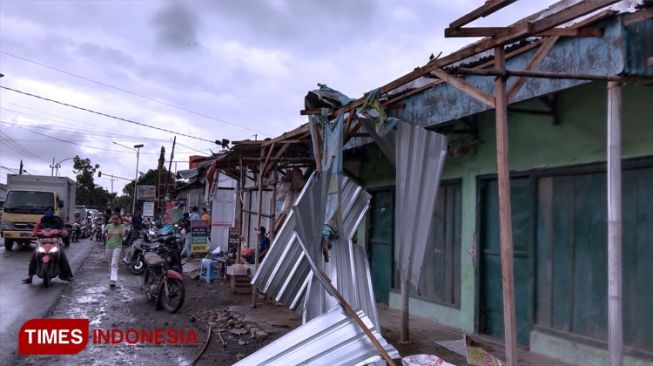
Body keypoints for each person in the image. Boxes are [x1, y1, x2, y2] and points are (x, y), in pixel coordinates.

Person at [22, 206, 74, 283]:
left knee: (62, 257)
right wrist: (33, 234)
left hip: (55, 242)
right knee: (34, 257)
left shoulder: (58, 221)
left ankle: (68, 276)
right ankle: (30, 277)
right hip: (42, 242)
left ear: (53, 212)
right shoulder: (40, 221)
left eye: (50, 211)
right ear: (44, 212)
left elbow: (63, 230)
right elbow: (35, 230)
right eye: (47, 211)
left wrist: (64, 233)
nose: (49, 212)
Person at [104, 214, 125, 288]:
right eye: (113, 219)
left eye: (116, 219)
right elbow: (104, 233)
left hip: (118, 246)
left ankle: (113, 280)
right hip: (108, 246)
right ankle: (111, 277)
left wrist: (119, 225)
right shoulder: (108, 226)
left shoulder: (122, 226)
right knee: (110, 263)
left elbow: (122, 235)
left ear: (119, 219)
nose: (115, 220)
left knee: (114, 263)